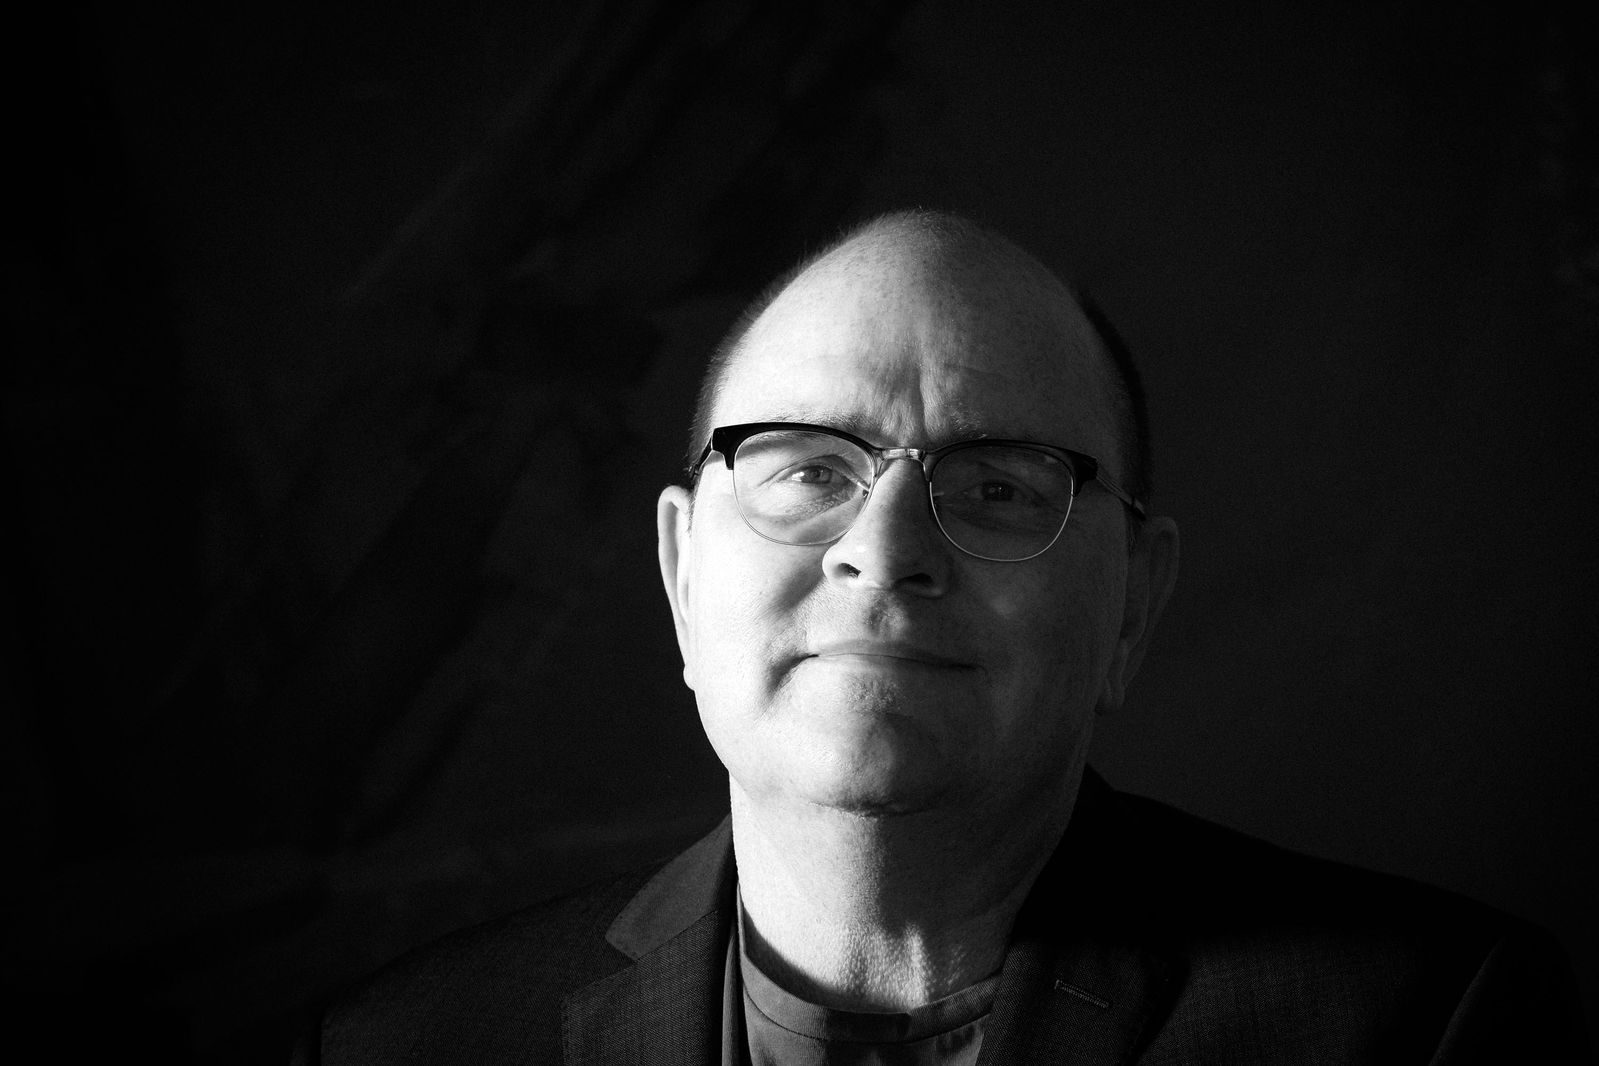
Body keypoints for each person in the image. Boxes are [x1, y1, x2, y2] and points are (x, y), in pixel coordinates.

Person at [295, 210, 1591, 1064]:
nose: (885, 548)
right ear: (684, 573)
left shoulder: (1427, 1030)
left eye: (999, 488)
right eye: (807, 469)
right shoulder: (393, 1052)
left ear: (1134, 602)